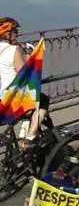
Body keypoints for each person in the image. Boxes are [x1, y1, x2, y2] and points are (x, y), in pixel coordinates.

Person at [0, 16, 48, 145]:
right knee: (42, 100)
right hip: (9, 99)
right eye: (15, 31)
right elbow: (24, 74)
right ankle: (30, 138)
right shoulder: (14, 50)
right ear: (7, 33)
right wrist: (30, 56)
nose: (17, 34)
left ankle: (24, 126)